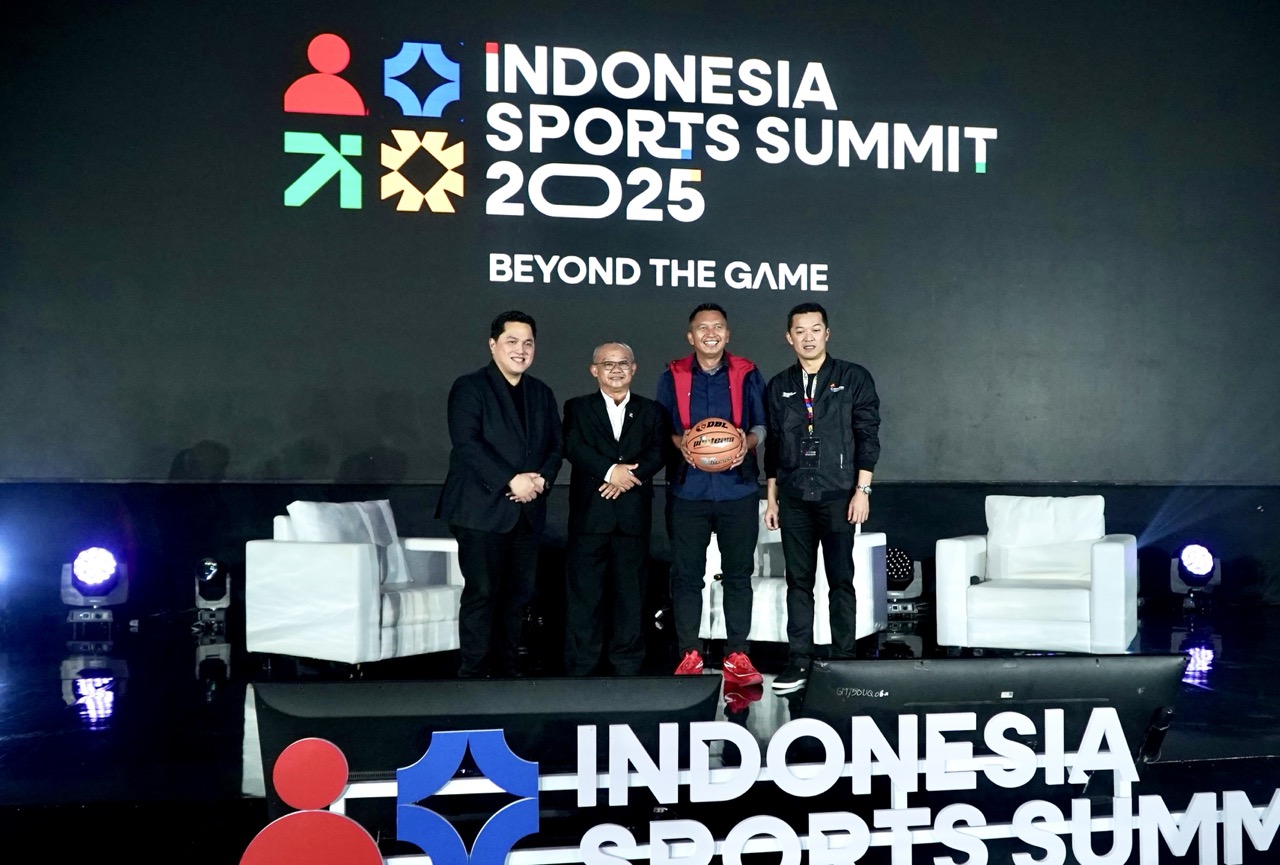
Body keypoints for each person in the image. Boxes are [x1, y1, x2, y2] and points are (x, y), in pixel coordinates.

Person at [437, 311, 563, 678]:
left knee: (517, 598)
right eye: (512, 341)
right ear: (493, 345)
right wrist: (511, 480)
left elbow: (556, 446)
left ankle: (507, 676)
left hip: (527, 512)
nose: (521, 350)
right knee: (483, 595)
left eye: (528, 343)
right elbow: (467, 444)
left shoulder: (541, 392)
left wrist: (541, 481)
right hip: (480, 510)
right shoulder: (470, 387)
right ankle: (475, 676)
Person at [763, 302, 880, 694]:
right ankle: (799, 660)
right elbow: (774, 445)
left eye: (815, 329)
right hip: (794, 496)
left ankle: (843, 662)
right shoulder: (779, 385)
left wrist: (862, 490)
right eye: (800, 331)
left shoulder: (853, 377)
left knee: (841, 581)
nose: (808, 337)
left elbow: (867, 435)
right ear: (789, 337)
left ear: (827, 333)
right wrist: (772, 499)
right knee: (798, 582)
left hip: (838, 495)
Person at [656, 303, 767, 685]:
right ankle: (689, 653)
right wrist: (683, 444)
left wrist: (744, 444)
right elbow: (662, 427)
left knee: (738, 575)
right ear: (691, 336)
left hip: (738, 489)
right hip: (688, 490)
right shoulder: (672, 375)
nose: (710, 333)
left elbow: (762, 425)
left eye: (718, 326)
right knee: (687, 576)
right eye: (702, 327)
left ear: (727, 334)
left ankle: (737, 654)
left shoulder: (747, 372)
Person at [562, 343, 667, 676]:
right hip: (590, 518)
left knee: (631, 597)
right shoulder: (577, 407)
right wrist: (610, 472)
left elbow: (659, 451)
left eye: (623, 363)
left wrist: (626, 477)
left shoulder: (652, 411)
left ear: (634, 369)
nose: (616, 369)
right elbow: (573, 447)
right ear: (594, 370)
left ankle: (628, 666)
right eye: (608, 364)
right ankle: (581, 667)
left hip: (632, 518)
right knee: (585, 597)